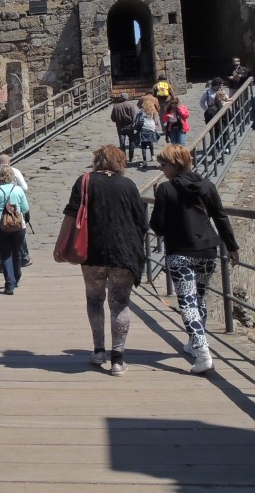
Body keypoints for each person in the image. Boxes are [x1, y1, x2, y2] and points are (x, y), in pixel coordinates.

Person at [57, 145, 147, 375]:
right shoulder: (129, 185)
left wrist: (61, 245)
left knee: (94, 299)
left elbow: (71, 214)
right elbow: (142, 224)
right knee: (120, 303)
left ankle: (98, 350)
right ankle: (117, 360)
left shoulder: (85, 181)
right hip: (123, 253)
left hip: (93, 251)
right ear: (120, 163)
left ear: (98, 160)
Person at [150, 144, 240, 374]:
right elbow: (220, 217)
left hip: (180, 251)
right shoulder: (207, 186)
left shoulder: (165, 190)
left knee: (188, 303)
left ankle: (202, 352)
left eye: (164, 164)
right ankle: (193, 343)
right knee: (198, 299)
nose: (162, 169)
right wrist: (231, 246)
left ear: (175, 164)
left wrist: (163, 213)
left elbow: (157, 226)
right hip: (207, 250)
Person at [0, 165, 30, 295]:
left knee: (5, 254)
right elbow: (25, 208)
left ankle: (9, 284)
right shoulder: (18, 190)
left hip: (1, 226)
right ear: (12, 176)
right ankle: (16, 277)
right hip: (18, 226)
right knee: (16, 252)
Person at [0, 154, 31, 266]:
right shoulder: (15, 171)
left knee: (2, 238)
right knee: (17, 227)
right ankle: (23, 257)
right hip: (15, 211)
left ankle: (5, 262)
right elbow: (24, 188)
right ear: (9, 162)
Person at [110, 92, 139, 162]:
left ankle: (123, 158)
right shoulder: (130, 106)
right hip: (130, 127)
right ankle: (131, 157)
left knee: (122, 143)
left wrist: (118, 120)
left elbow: (113, 118)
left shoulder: (116, 107)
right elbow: (134, 117)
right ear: (127, 98)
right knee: (132, 141)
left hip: (120, 127)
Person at [134, 98, 162, 168]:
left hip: (143, 129)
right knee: (150, 142)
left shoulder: (141, 111)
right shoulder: (153, 111)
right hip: (151, 128)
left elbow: (136, 119)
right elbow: (156, 121)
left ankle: (144, 161)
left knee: (143, 145)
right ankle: (152, 156)